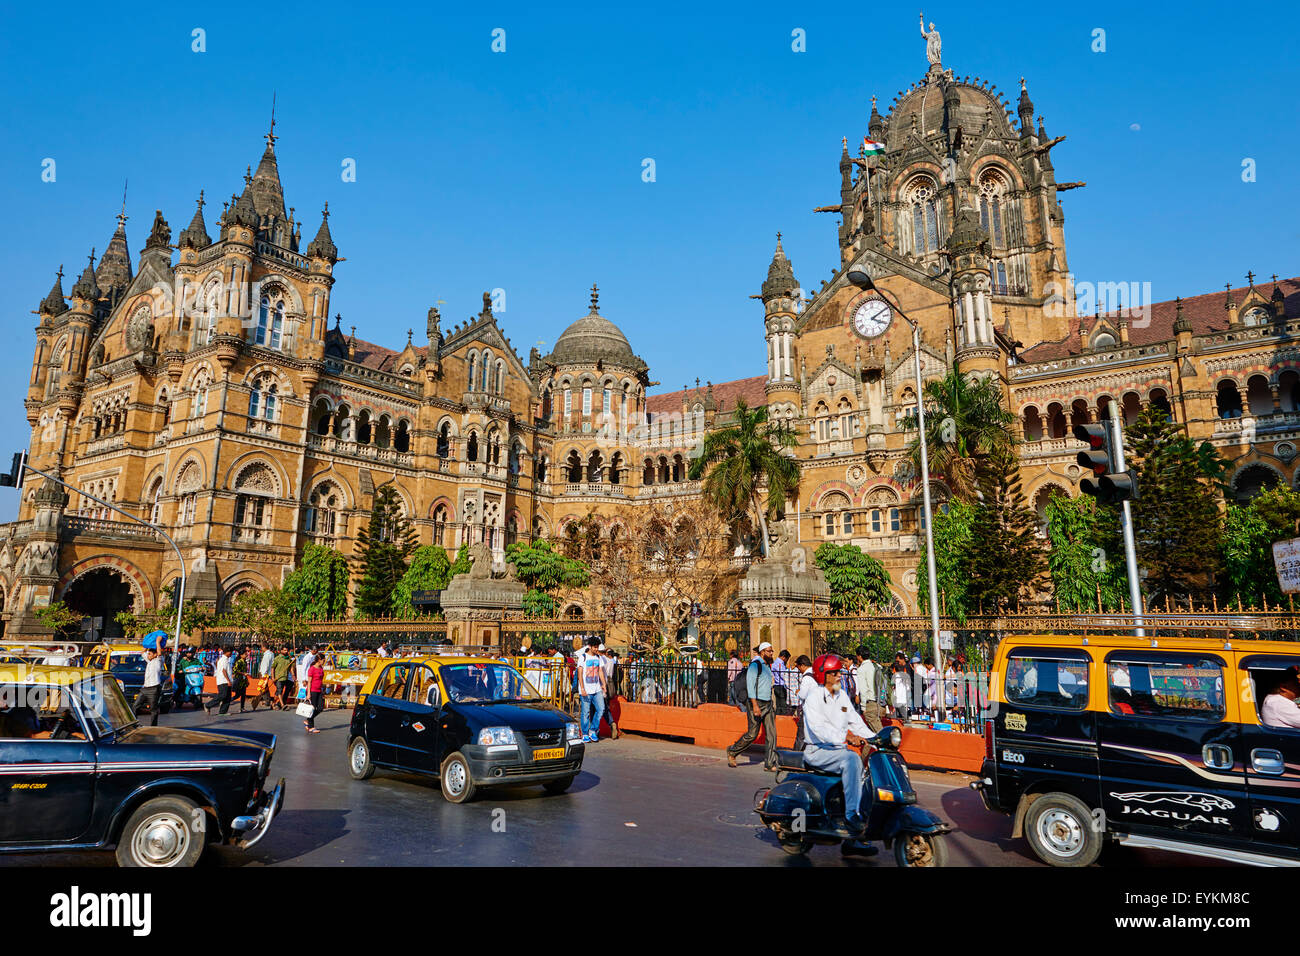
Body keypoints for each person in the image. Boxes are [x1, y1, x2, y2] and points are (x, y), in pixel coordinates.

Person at [803, 654, 873, 835]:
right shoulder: (814, 697)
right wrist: (845, 737)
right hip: (818, 750)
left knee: (865, 776)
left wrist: (875, 738)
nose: (839, 676)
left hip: (837, 751)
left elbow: (855, 721)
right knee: (853, 759)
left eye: (839, 673)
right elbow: (819, 729)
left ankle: (857, 838)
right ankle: (851, 816)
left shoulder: (841, 696)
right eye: (834, 673)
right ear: (823, 675)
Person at [726, 642, 777, 771]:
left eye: (772, 651)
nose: (771, 653)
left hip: (767, 703)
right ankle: (732, 751)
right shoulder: (755, 665)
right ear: (762, 652)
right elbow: (750, 686)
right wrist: (754, 705)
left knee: (771, 734)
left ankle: (770, 763)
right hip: (756, 703)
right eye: (769, 651)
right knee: (752, 734)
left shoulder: (766, 666)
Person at [578, 639, 607, 743]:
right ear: (589, 646)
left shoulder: (598, 657)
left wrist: (603, 684)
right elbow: (580, 673)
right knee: (585, 713)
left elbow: (600, 671)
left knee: (601, 709)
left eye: (597, 647)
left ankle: (593, 730)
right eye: (595, 647)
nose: (596, 649)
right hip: (586, 689)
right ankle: (585, 733)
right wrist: (582, 688)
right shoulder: (583, 657)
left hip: (597, 688)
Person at [854, 647, 884, 733]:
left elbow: (863, 689)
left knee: (879, 733)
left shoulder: (861, 669)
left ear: (859, 656)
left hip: (870, 703)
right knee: (872, 733)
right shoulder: (877, 666)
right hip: (880, 701)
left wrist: (863, 707)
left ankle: (888, 745)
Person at [792, 654, 816, 750]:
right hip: (815, 710)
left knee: (801, 736)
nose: (798, 670)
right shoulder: (815, 674)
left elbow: (802, 695)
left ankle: (794, 757)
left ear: (802, 665)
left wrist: (797, 692)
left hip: (808, 710)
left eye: (798, 667)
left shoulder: (806, 678)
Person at [135, 647, 164, 727]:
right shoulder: (149, 661)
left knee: (153, 710)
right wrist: (147, 643)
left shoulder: (158, 661)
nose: (148, 655)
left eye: (150, 654)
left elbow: (160, 653)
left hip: (154, 688)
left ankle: (153, 727)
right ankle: (134, 724)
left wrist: (158, 641)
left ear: (155, 655)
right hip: (145, 688)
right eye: (148, 654)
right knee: (135, 706)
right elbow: (142, 652)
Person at [206, 647, 233, 715]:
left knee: (227, 697)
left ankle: (223, 711)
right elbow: (224, 671)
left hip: (226, 681)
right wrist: (228, 680)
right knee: (222, 696)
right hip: (223, 681)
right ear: (227, 652)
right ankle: (208, 705)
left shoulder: (226, 660)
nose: (231, 654)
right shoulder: (223, 660)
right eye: (231, 652)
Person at [304, 653, 324, 733]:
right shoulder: (312, 669)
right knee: (312, 708)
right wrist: (308, 693)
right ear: (319, 660)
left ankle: (308, 720)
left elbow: (321, 680)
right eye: (323, 660)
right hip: (312, 690)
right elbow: (309, 682)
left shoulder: (321, 668)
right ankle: (311, 727)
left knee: (320, 708)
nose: (324, 661)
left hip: (319, 690)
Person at [772, 650, 792, 714]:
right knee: (783, 706)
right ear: (783, 657)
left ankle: (778, 720)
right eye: (787, 659)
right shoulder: (779, 663)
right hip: (780, 686)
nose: (787, 661)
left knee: (778, 706)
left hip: (777, 685)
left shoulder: (775, 662)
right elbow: (783, 675)